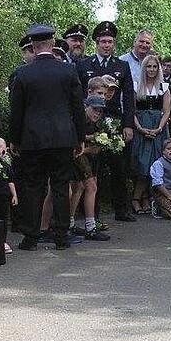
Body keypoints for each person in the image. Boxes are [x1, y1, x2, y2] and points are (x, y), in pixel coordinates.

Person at [10, 24, 87, 251]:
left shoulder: (23, 73)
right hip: (62, 138)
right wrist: (79, 137)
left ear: (33, 46)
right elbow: (77, 108)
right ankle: (61, 236)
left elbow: (17, 111)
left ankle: (31, 237)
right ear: (52, 44)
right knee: (61, 186)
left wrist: (15, 139)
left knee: (33, 187)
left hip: (32, 139)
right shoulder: (68, 71)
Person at [76, 21, 136, 222]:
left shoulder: (122, 66)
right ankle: (92, 213)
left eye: (110, 41)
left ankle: (122, 209)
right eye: (103, 41)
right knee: (94, 167)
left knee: (119, 167)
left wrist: (128, 124)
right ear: (96, 43)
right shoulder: (84, 65)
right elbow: (78, 95)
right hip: (91, 123)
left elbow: (128, 97)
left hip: (114, 122)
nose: (107, 45)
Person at [130, 54, 171, 214]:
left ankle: (147, 198)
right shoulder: (136, 85)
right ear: (143, 68)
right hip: (141, 128)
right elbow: (131, 110)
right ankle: (136, 198)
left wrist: (159, 128)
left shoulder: (164, 87)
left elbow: (167, 111)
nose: (151, 69)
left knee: (154, 164)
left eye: (154, 66)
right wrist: (139, 128)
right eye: (148, 66)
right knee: (141, 165)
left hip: (157, 128)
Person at [69, 95, 109, 240]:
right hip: (74, 158)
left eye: (100, 111)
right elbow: (73, 145)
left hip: (83, 158)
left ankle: (70, 223)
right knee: (90, 187)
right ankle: (90, 227)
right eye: (94, 109)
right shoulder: (78, 121)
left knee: (80, 187)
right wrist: (89, 146)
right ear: (86, 107)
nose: (97, 113)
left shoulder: (96, 124)